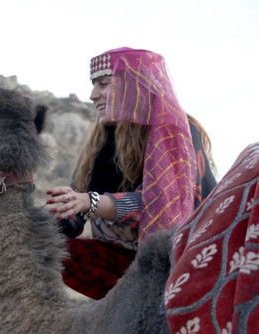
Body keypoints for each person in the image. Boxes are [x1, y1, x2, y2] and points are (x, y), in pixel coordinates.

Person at [46, 47, 217, 300]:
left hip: (183, 261)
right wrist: (39, 225)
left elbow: (161, 207)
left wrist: (90, 202)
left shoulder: (176, 131)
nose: (93, 95)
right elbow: (77, 206)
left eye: (104, 84)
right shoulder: (100, 141)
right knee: (47, 249)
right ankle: (122, 310)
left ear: (136, 86)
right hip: (127, 261)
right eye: (94, 85)